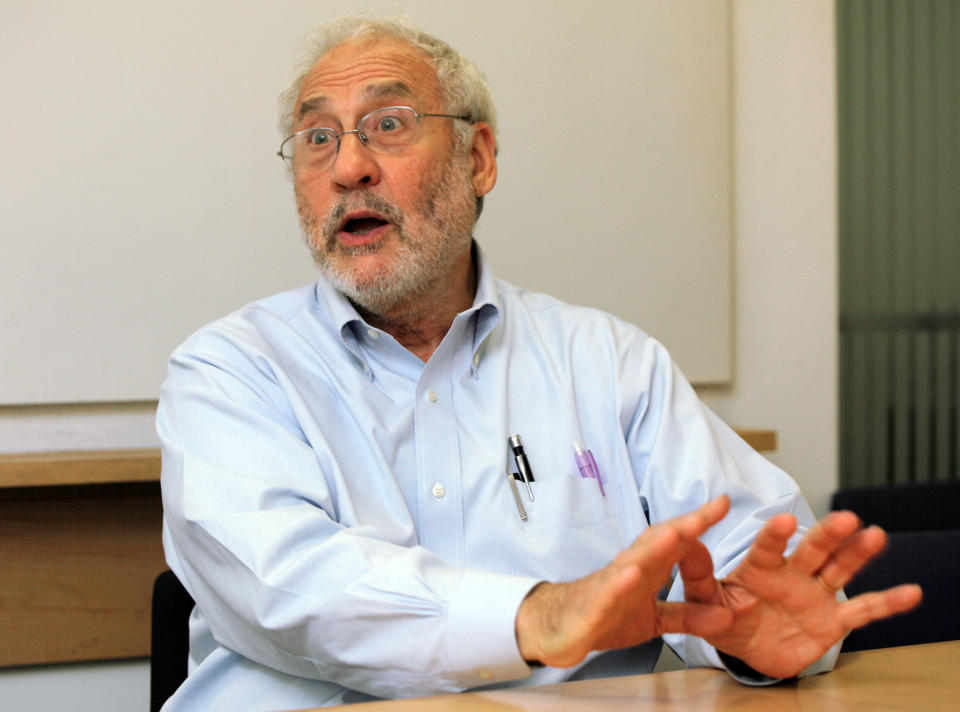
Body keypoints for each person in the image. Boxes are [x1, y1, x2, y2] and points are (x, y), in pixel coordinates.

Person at [156, 15, 921, 711]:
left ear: (478, 158)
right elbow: (287, 588)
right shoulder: (229, 372)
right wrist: (543, 615)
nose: (348, 166)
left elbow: (751, 569)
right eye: (318, 137)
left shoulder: (611, 364)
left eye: (388, 125)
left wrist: (754, 641)